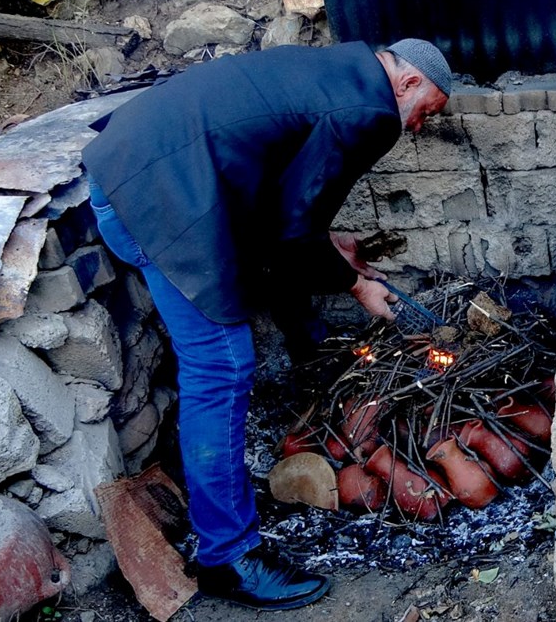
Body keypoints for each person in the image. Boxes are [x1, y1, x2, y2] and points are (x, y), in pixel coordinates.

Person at [81, 38, 451, 610]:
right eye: (428, 109)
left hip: (135, 165)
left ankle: (222, 516)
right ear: (406, 84)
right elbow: (288, 230)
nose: (421, 126)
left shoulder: (342, 67)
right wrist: (356, 284)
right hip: (155, 198)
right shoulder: (373, 112)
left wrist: (328, 246)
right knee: (222, 365)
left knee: (233, 329)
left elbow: (281, 181)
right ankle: (227, 558)